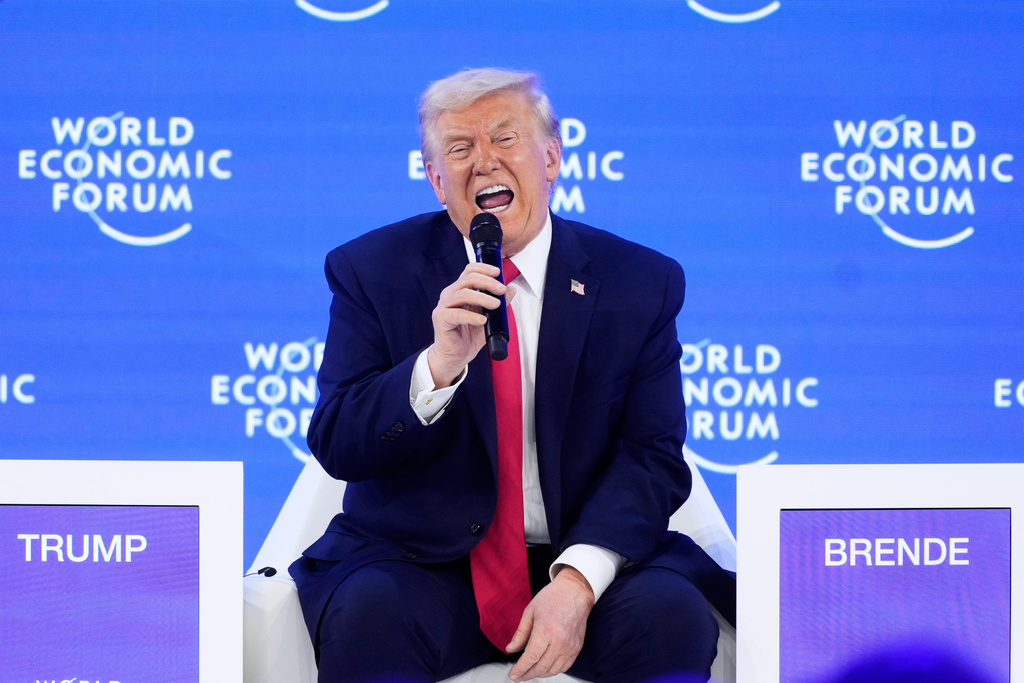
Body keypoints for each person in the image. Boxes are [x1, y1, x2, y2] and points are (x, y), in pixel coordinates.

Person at [291, 67, 735, 683]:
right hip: (425, 564)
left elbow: (651, 456)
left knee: (670, 617)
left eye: (504, 139)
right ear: (435, 179)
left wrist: (578, 582)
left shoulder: (638, 283)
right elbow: (338, 441)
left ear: (550, 158)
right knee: (369, 613)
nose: (484, 162)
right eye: (459, 148)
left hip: (586, 560)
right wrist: (436, 367)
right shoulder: (371, 271)